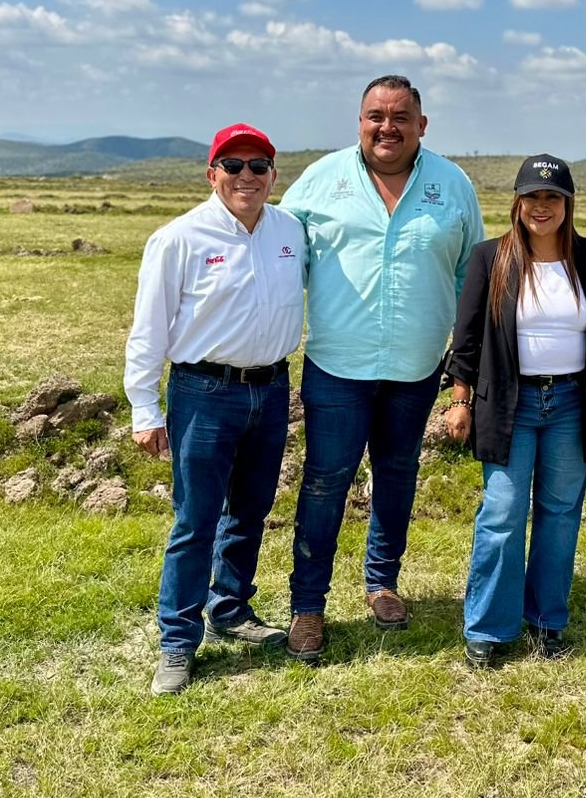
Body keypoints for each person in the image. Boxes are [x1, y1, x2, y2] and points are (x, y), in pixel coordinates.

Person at [278, 74, 484, 663]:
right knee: (325, 482)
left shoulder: (452, 185)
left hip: (416, 368)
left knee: (397, 475)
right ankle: (308, 606)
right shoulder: (321, 180)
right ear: (360, 121)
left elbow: (470, 278)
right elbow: (281, 258)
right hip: (336, 367)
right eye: (376, 116)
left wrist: (463, 375)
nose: (386, 127)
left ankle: (382, 581)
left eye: (400, 117)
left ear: (422, 125)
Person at [124, 123, 305, 695]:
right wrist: (144, 409)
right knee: (195, 520)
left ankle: (230, 608)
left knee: (250, 510)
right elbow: (148, 330)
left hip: (271, 389)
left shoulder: (290, 230)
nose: (246, 176)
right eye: (233, 165)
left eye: (258, 166)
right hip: (203, 392)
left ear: (273, 175)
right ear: (212, 174)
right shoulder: (178, 238)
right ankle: (177, 641)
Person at [443, 155, 586, 667]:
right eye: (532, 196)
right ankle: (488, 627)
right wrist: (459, 399)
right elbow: (466, 337)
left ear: (568, 204)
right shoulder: (490, 258)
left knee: (561, 513)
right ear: (517, 202)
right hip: (509, 403)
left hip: (572, 403)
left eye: (552, 197)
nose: (541, 206)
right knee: (502, 512)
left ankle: (547, 622)